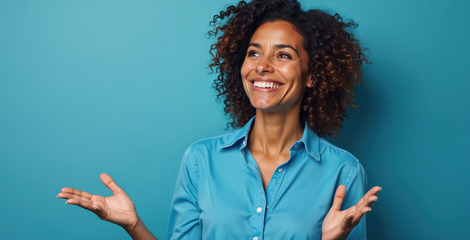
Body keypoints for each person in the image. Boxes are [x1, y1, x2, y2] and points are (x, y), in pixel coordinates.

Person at [57, 0, 381, 239]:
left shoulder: (343, 171)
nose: (263, 66)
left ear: (312, 75)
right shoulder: (201, 159)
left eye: (283, 55)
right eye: (254, 53)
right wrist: (134, 226)